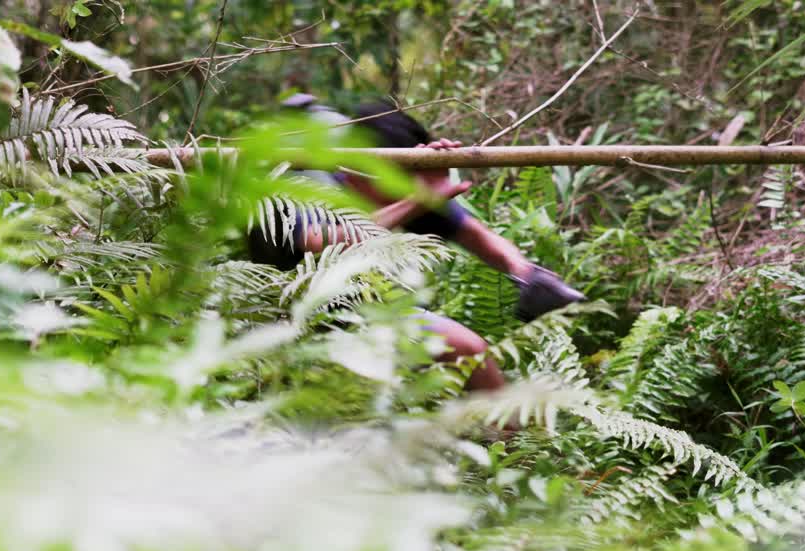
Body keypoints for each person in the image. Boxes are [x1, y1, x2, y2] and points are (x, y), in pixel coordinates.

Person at [247, 96, 587, 392]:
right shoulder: (303, 179)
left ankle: (506, 451)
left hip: (361, 306)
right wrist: (419, 198)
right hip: (286, 311)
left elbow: (475, 235)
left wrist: (526, 274)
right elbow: (318, 242)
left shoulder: (396, 189)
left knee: (471, 357)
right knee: (467, 348)